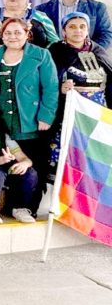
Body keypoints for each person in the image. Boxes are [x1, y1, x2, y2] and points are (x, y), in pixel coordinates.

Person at [0, 18, 58, 212]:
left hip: (30, 123)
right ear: (2, 35)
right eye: (8, 33)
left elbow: (51, 88)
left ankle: (27, 208)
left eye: (17, 32)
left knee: (32, 167)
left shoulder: (41, 55)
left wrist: (46, 116)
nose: (13, 37)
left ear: (27, 33)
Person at [47, 12, 112, 181]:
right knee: (71, 150)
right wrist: (59, 88)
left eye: (82, 26)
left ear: (88, 29)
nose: (78, 31)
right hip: (69, 110)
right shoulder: (55, 52)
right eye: (72, 27)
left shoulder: (98, 50)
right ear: (64, 31)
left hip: (97, 110)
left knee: (96, 152)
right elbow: (45, 81)